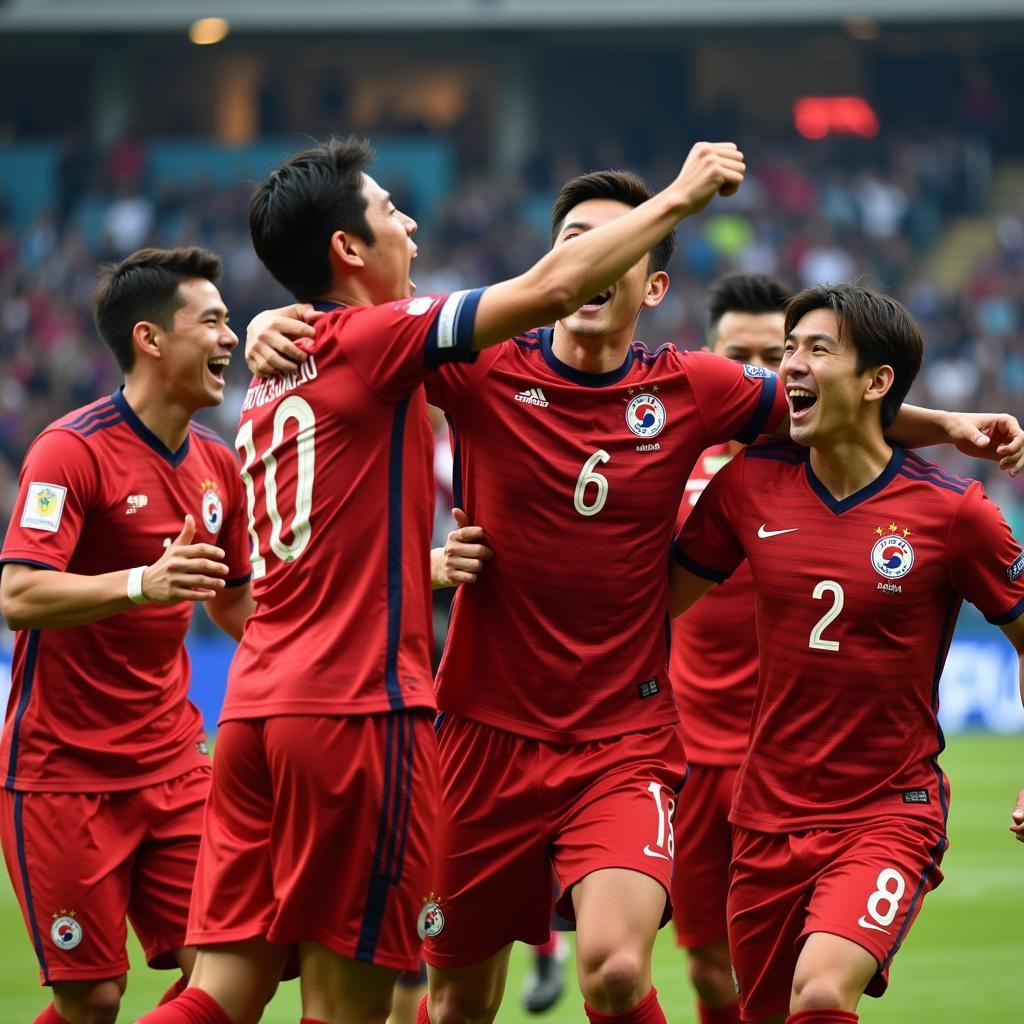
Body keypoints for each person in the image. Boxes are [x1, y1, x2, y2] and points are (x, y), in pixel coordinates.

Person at [246, 169, 1024, 1024]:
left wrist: (947, 425)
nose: (584, 257)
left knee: (617, 971)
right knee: (459, 998)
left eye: (607, 244)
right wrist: (270, 321)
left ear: (650, 283)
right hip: (480, 733)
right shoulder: (477, 364)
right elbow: (357, 343)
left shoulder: (692, 386)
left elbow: (829, 407)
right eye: (571, 239)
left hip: (623, 737)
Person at [138, 135, 750, 1024]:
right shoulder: (392, 341)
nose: (411, 221)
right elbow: (546, 291)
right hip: (357, 718)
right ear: (347, 247)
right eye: (390, 209)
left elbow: (267, 573)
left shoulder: (286, 368)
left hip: (253, 711)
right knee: (348, 1005)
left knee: (219, 994)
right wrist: (683, 196)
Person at [669, 283, 1024, 1024]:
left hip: (887, 812)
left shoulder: (955, 515)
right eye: (785, 349)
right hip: (763, 818)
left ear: (876, 381)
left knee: (823, 991)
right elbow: (650, 607)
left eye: (812, 349)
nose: (788, 366)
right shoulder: (747, 487)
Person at [0, 246, 253, 1024]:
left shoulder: (219, 466)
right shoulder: (69, 450)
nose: (229, 339)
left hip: (174, 763)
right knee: (94, 998)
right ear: (150, 339)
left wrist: (397, 587)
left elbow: (239, 606)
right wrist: (143, 581)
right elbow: (19, 593)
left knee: (240, 960)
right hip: (62, 773)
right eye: (211, 321)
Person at [669, 272, 788, 1024]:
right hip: (682, 755)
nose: (759, 373)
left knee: (796, 971)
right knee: (710, 963)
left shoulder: (826, 468)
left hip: (789, 759)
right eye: (739, 355)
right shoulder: (666, 462)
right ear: (712, 361)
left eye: (774, 355)